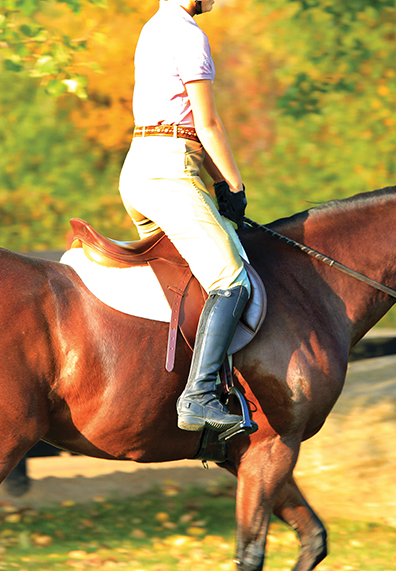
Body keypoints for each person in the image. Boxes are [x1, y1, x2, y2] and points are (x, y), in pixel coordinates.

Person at [119, 0, 252, 433]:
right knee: (231, 280)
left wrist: (216, 182)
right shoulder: (190, 34)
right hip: (171, 171)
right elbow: (206, 123)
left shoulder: (152, 28)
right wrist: (234, 185)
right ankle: (198, 396)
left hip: (138, 168)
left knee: (183, 279)